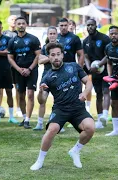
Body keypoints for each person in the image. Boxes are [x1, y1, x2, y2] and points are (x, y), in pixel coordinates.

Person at [30, 42, 95, 170]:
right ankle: (40, 160)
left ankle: (75, 151)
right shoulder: (47, 77)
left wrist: (85, 92)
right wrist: (41, 91)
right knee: (52, 129)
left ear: (62, 55)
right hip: (61, 109)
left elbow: (88, 82)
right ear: (49, 57)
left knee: (90, 128)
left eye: (58, 54)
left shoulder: (74, 66)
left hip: (78, 108)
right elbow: (41, 101)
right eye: (53, 55)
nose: (56, 57)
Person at [7, 16, 41, 129]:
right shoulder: (12, 41)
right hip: (18, 72)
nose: (21, 25)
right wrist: (19, 69)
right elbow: (10, 58)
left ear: (26, 25)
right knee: (20, 95)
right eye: (19, 23)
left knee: (30, 94)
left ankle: (27, 120)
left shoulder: (33, 39)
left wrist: (29, 69)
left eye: (23, 23)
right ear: (16, 25)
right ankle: (24, 116)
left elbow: (38, 56)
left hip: (32, 71)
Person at [82, 19, 111, 129]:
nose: (90, 27)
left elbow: (108, 54)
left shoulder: (104, 38)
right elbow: (85, 57)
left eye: (92, 25)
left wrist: (99, 65)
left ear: (96, 26)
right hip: (94, 72)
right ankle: (100, 120)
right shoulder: (85, 41)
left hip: (105, 69)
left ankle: (105, 115)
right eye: (88, 25)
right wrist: (89, 67)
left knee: (106, 91)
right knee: (98, 94)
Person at [33, 26, 59, 130]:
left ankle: (58, 123)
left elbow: (60, 60)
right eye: (50, 34)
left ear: (57, 35)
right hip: (46, 75)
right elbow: (40, 60)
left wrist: (47, 58)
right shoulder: (44, 47)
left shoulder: (60, 46)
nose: (52, 35)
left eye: (54, 33)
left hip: (58, 75)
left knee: (58, 101)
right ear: (47, 35)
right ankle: (39, 123)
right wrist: (52, 57)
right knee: (42, 99)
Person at [3, 15, 23, 117]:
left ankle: (19, 108)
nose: (14, 21)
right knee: (4, 88)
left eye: (15, 20)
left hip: (16, 65)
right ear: (8, 22)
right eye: (12, 19)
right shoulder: (4, 33)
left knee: (18, 88)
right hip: (4, 65)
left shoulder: (19, 34)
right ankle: (4, 108)